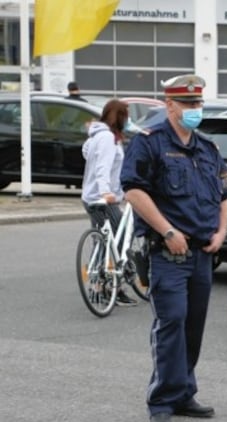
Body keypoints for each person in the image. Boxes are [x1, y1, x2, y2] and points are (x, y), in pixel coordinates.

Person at [120, 74, 227, 422]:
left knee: (192, 327)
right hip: (168, 254)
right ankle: (162, 400)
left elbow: (225, 194)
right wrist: (167, 231)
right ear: (169, 105)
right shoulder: (149, 143)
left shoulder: (207, 148)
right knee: (171, 323)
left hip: (202, 254)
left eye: (198, 104)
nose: (194, 110)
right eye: (187, 104)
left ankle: (184, 392)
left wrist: (221, 232)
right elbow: (133, 192)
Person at [80, 98, 136, 306]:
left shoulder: (99, 135)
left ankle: (100, 286)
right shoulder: (107, 138)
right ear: (120, 117)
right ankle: (115, 286)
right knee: (120, 241)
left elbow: (86, 151)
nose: (128, 121)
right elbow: (103, 166)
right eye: (126, 116)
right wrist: (106, 191)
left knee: (104, 241)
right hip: (102, 198)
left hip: (91, 196)